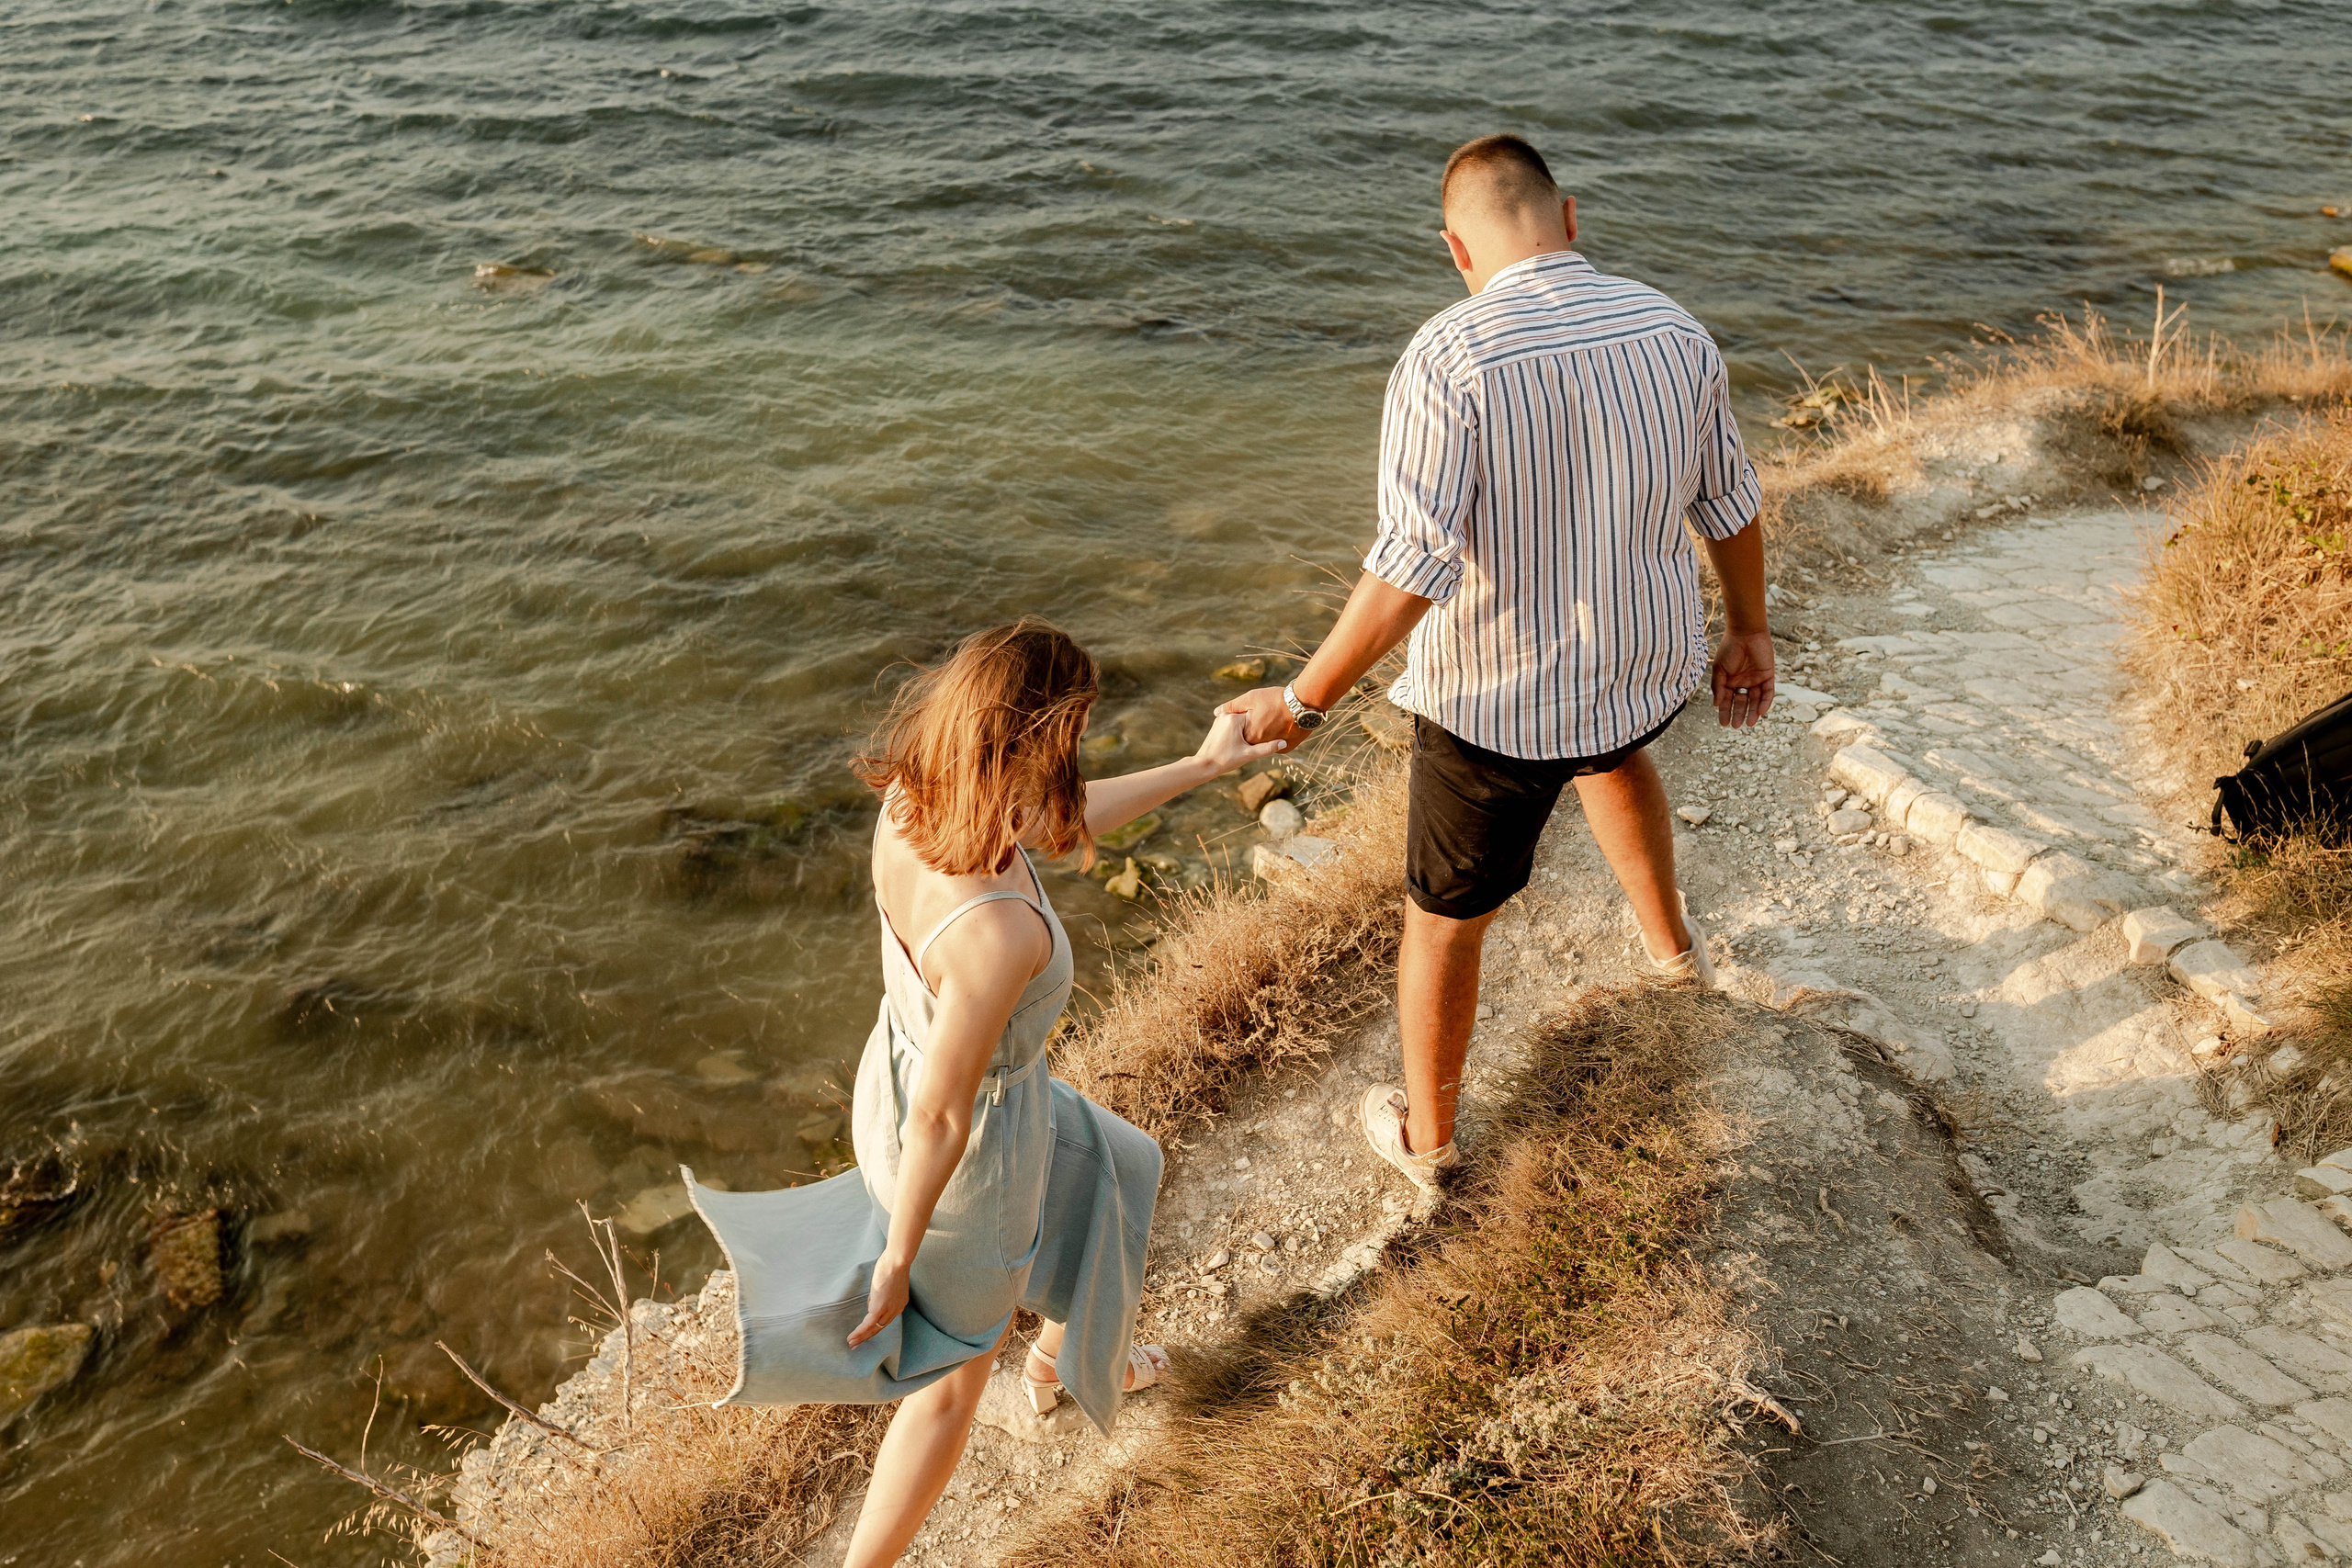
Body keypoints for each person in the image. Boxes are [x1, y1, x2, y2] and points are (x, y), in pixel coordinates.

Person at [1221, 133, 1774, 1193]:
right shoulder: (1671, 328)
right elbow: (1731, 502)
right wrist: (1748, 628)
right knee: (1613, 759)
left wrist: (1304, 698)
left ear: (1454, 249)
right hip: (1638, 662)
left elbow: (1410, 569)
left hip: (1495, 702)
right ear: (1568, 219)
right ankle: (1673, 965)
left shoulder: (1448, 358)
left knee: (1441, 918)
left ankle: (1428, 1146)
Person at [685, 618, 1282, 1568]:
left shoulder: (917, 805)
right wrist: (900, 1255)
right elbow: (945, 1118)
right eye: (1072, 729)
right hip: (970, 1156)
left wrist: (1202, 769)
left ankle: (1060, 1356)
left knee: (1126, 1161)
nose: (1079, 748)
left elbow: (1060, 824)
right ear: (1035, 739)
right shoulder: (996, 934)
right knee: (950, 1383)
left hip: (895, 1078)